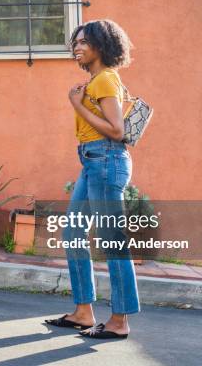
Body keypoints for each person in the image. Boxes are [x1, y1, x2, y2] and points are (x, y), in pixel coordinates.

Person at [45, 19, 140, 339]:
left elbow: (116, 130)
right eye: (76, 42)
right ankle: (83, 312)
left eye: (84, 42)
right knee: (73, 231)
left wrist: (75, 104)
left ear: (102, 45)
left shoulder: (105, 80)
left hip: (106, 160)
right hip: (93, 162)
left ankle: (119, 321)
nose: (77, 48)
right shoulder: (101, 80)